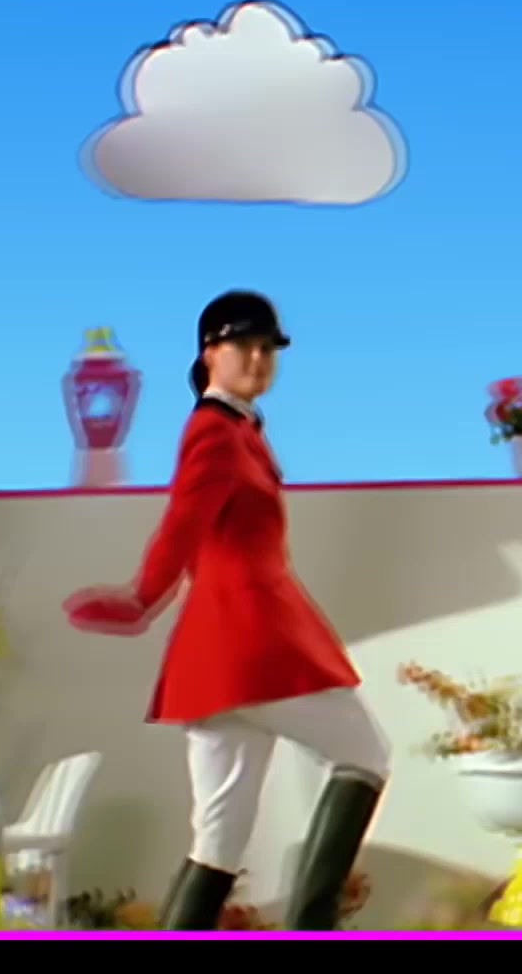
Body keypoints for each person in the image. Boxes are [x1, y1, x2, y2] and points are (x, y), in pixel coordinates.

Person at [62, 289, 390, 931]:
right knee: (366, 755)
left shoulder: (236, 428)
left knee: (219, 837)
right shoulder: (215, 432)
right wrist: (141, 598)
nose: (259, 359)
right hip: (255, 642)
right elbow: (183, 521)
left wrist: (143, 600)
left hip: (216, 659)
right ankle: (312, 924)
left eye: (268, 348)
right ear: (210, 352)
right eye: (244, 345)